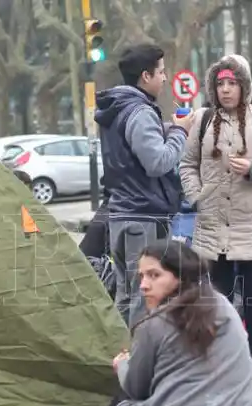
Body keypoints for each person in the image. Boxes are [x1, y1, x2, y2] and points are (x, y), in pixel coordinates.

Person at [88, 241, 252, 406]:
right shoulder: (224, 306)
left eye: (154, 275)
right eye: (142, 277)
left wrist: (122, 365)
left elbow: (136, 388)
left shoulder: (154, 325)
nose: (144, 286)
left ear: (181, 276)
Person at [179, 55, 252, 382]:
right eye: (220, 83)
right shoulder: (203, 120)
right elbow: (187, 164)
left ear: (244, 86)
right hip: (214, 220)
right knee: (219, 293)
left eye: (232, 83)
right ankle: (222, 356)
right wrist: (196, 194)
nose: (226, 89)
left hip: (250, 219)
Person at [94, 44, 195, 326]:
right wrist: (180, 131)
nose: (165, 78)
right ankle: (140, 351)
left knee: (126, 295)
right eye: (161, 72)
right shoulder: (140, 112)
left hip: (121, 214)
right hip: (144, 215)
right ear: (145, 76)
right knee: (145, 297)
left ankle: (122, 350)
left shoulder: (117, 108)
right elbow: (158, 162)